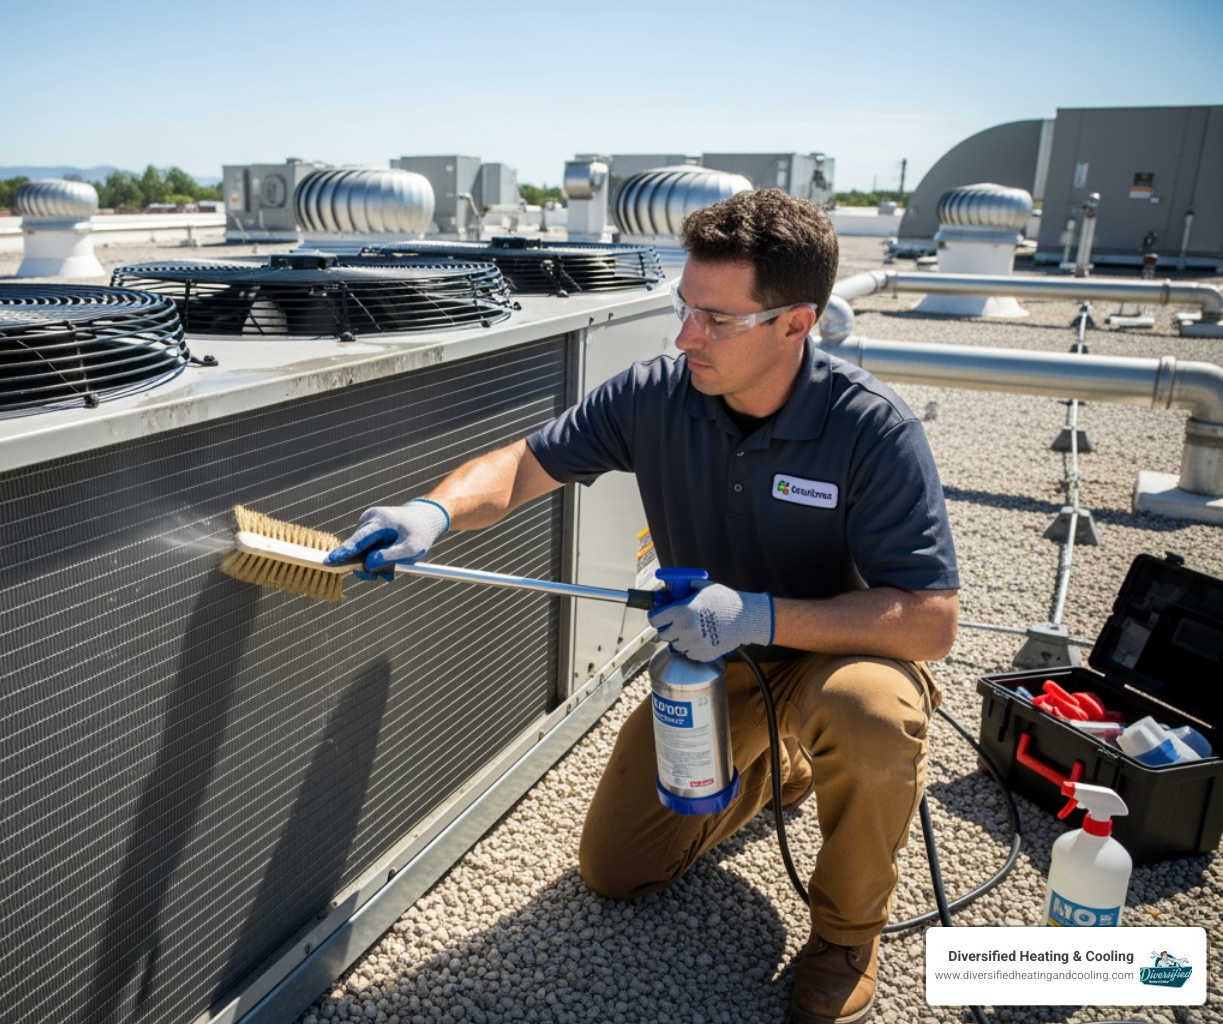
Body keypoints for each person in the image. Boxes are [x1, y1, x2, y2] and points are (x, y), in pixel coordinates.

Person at [325, 188, 958, 1024]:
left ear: (796, 325)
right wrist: (433, 511)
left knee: (870, 713)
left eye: (717, 320)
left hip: (837, 655)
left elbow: (930, 620)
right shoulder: (658, 395)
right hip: (713, 665)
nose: (685, 335)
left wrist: (762, 616)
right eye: (684, 307)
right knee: (617, 871)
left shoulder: (869, 430)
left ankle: (845, 935)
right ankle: (783, 764)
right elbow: (523, 465)